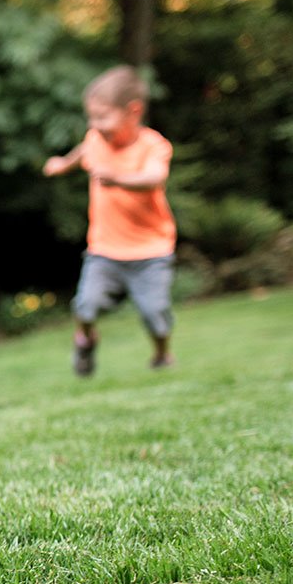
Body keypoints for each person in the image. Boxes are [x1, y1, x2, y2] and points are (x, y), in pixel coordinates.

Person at [43, 65, 177, 377]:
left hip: (151, 250)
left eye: (103, 117)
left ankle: (162, 354)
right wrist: (62, 165)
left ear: (133, 111)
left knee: (155, 313)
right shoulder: (95, 139)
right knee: (85, 306)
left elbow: (155, 177)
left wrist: (117, 178)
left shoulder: (153, 145)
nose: (94, 125)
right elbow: (83, 149)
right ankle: (86, 340)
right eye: (91, 116)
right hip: (104, 247)